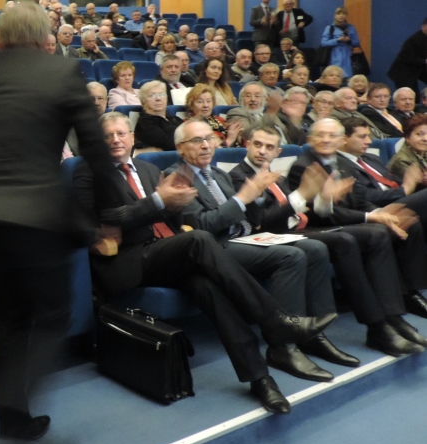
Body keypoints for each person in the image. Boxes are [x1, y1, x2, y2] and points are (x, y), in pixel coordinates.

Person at [0, 0, 123, 444]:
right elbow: (96, 152)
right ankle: (17, 425)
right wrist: (110, 216)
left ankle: (13, 423)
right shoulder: (62, 72)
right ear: (44, 39)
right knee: (54, 316)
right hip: (35, 217)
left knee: (7, 318)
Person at [74, 113, 334, 412]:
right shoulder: (88, 172)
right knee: (199, 238)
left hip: (165, 251)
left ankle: (260, 378)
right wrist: (159, 201)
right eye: (108, 135)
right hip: (129, 259)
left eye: (121, 133)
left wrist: (176, 204)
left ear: (132, 137)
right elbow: (105, 217)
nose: (116, 140)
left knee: (208, 287)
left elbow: (170, 217)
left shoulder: (148, 169)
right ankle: (275, 321)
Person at [166, 120, 341, 380]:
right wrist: (243, 198)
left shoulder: (219, 174)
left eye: (209, 139)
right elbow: (201, 226)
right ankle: (284, 347)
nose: (206, 145)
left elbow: (254, 219)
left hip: (247, 238)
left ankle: (313, 336)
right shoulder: (177, 177)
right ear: (180, 147)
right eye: (196, 141)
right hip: (215, 249)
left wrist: (257, 197)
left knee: (315, 248)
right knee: (291, 256)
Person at [230, 125, 415, 362]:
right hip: (273, 238)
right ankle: (374, 326)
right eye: (257, 144)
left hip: (300, 230)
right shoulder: (238, 176)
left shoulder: (277, 177)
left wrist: (324, 199)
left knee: (371, 234)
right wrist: (302, 194)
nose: (262, 151)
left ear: (277, 152)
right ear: (247, 145)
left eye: (269, 147)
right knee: (343, 241)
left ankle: (386, 319)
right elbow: (261, 223)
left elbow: (304, 211)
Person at [288, 118, 427, 351]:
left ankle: (394, 315)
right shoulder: (303, 166)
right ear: (310, 139)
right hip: (320, 228)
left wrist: (382, 214)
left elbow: (361, 202)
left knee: (404, 224)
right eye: (320, 135)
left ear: (341, 140)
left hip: (350, 223)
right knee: (373, 234)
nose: (326, 140)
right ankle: (381, 325)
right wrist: (371, 217)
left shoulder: (344, 162)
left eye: (332, 135)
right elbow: (322, 216)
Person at [184, 84, 242, 148]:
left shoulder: (220, 120)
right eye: (200, 102)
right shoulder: (188, 126)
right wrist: (230, 139)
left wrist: (238, 137)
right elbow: (209, 150)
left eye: (208, 101)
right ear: (191, 105)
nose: (205, 105)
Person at [133, 80, 182, 152]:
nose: (158, 99)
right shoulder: (144, 123)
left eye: (161, 95)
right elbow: (169, 143)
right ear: (143, 101)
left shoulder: (175, 119)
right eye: (152, 95)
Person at [388, 18, 427, 91]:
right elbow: (406, 57)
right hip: (403, 72)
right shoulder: (414, 40)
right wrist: (424, 61)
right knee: (410, 93)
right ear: (423, 26)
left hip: (417, 70)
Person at [320, 7, 361, 78]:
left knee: (348, 77)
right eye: (339, 14)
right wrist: (337, 40)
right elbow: (324, 42)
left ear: (346, 16)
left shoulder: (351, 27)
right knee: (335, 76)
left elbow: (357, 43)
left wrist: (349, 40)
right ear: (335, 15)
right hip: (334, 56)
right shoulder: (330, 28)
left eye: (343, 14)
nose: (341, 16)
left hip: (348, 56)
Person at [388, 114, 427, 181]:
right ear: (407, 137)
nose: (425, 139)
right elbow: (419, 184)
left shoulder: (423, 153)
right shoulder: (402, 161)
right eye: (419, 134)